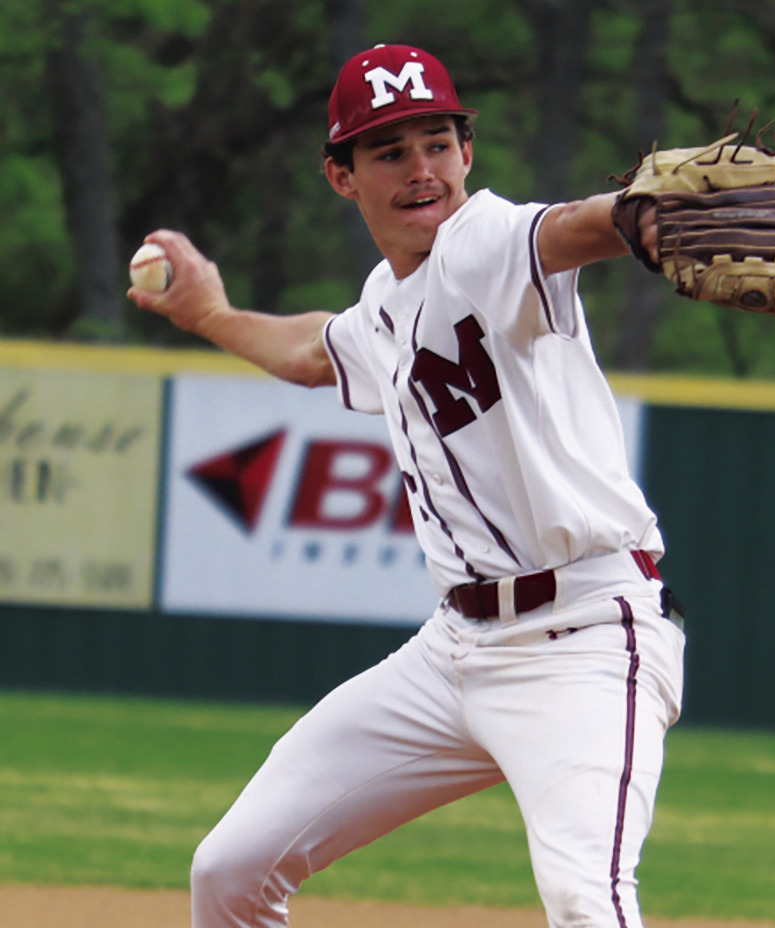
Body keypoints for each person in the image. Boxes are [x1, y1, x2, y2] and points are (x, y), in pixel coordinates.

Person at [128, 43, 684, 928]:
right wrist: (210, 316)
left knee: (589, 901)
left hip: (583, 640)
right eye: (389, 151)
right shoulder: (390, 303)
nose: (421, 169)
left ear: (468, 150)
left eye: (437, 141)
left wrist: (638, 217)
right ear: (341, 177)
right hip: (453, 652)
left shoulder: (485, 241)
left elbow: (568, 228)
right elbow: (320, 352)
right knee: (229, 871)